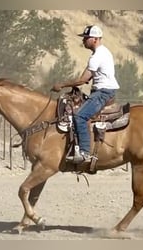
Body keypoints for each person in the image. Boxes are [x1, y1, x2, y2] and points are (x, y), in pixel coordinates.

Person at [52, 25, 120, 163]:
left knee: (80, 116)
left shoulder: (97, 56)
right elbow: (87, 78)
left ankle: (84, 152)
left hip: (102, 92)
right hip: (103, 90)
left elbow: (83, 80)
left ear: (95, 39)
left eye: (86, 38)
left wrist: (62, 85)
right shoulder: (102, 53)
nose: (83, 41)